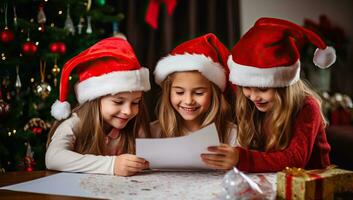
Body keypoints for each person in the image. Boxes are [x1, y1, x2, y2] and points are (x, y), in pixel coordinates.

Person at [218, 17, 334, 172]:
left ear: (283, 86)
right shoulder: (252, 105)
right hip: (275, 180)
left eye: (263, 89)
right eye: (246, 87)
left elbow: (295, 159)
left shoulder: (307, 107)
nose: (253, 97)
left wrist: (241, 158)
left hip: (312, 185)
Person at [46, 37, 151, 176]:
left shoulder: (134, 127)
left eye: (135, 102)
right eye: (118, 102)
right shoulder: (75, 124)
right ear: (95, 99)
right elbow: (53, 158)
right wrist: (112, 165)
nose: (128, 111)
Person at [152, 33, 238, 170]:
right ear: (168, 93)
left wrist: (235, 161)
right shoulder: (152, 133)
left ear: (214, 94)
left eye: (199, 93)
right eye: (179, 92)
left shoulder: (233, 135)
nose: (188, 101)